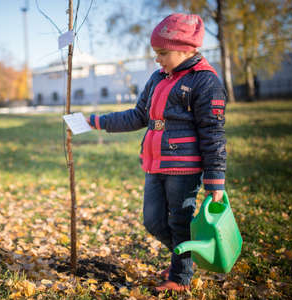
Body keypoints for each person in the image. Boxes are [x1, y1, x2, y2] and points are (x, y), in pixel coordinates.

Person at [87, 13, 227, 292]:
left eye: (162, 52)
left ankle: (180, 276)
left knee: (179, 221)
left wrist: (215, 179)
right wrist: (99, 121)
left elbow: (213, 133)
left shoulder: (205, 82)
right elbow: (139, 115)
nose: (157, 59)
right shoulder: (158, 77)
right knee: (152, 221)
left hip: (184, 169)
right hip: (155, 165)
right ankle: (183, 258)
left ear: (186, 49)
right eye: (155, 53)